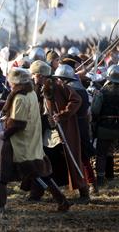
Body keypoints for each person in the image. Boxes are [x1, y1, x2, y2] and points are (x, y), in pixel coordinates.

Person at [0, 67, 70, 213]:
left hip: (18, 142)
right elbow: (10, 106)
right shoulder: (29, 93)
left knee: (1, 172)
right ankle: (62, 200)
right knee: (41, 172)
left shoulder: (20, 97)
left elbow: (18, 123)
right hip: (30, 140)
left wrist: (4, 134)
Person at [30, 60, 90, 203]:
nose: (32, 77)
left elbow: (76, 100)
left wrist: (62, 114)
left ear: (40, 75)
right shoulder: (37, 88)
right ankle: (36, 193)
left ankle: (84, 193)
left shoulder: (58, 85)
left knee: (72, 160)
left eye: (34, 74)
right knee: (44, 160)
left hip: (63, 130)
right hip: (47, 130)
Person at [53, 64, 97, 192]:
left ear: (63, 78)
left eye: (60, 78)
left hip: (75, 126)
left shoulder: (70, 90)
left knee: (81, 155)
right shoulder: (81, 88)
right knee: (82, 156)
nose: (58, 81)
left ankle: (90, 184)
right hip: (81, 124)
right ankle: (88, 183)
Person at [91, 65, 119, 186]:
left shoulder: (102, 91)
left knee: (102, 154)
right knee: (109, 152)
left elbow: (95, 110)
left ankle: (101, 180)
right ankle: (110, 176)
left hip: (105, 127)